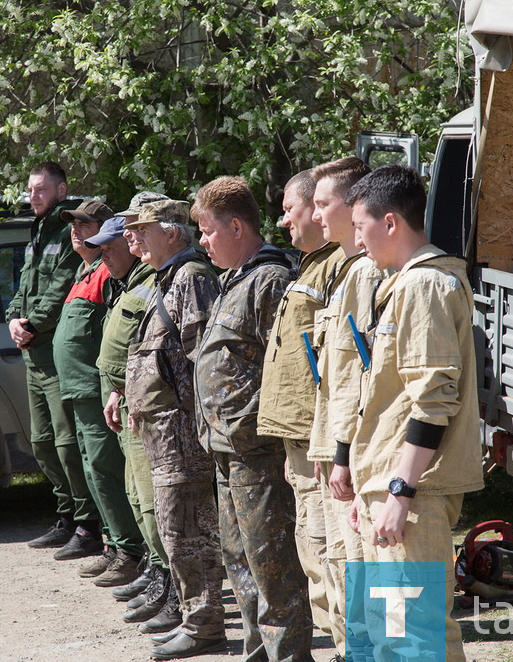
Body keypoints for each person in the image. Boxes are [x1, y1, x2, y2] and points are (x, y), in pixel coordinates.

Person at [345, 165, 483, 660]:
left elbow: (432, 399)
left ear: (389, 223)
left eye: (360, 228)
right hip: (391, 485)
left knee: (412, 638)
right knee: (394, 632)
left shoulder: (423, 286)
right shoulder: (405, 282)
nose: (357, 242)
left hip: (412, 493)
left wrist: (400, 491)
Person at [193, 176, 312, 661]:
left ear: (236, 226)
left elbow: (287, 369)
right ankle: (258, 654)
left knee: (273, 571)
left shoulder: (269, 280)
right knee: (240, 567)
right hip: (227, 450)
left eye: (207, 231)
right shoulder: (233, 280)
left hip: (258, 454)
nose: (202, 242)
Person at [124, 200, 226, 660]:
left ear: (172, 232)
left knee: (187, 533)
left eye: (143, 229)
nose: (134, 237)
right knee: (176, 531)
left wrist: (194, 423)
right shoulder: (168, 278)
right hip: (164, 435)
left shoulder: (192, 278)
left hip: (183, 437)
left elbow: (203, 360)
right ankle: (196, 620)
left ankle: (204, 625)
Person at [257, 170, 344, 649]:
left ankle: (352, 649)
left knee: (337, 558)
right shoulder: (312, 264)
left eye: (292, 208)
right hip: (308, 439)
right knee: (317, 555)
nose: (284, 218)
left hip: (332, 442)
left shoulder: (345, 269)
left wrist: (328, 439)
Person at [307, 156, 382, 662]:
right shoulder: (343, 270)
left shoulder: (362, 274)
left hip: (355, 452)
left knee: (359, 567)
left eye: (322, 204)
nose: (315, 217)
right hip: (336, 444)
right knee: (339, 563)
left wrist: (341, 452)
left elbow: (360, 377)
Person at [6, 162, 99, 554]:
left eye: (42, 190)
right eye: (31, 190)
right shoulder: (37, 231)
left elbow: (62, 286)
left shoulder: (67, 232)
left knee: (67, 443)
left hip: (54, 354)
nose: (34, 197)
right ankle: (64, 516)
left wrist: (31, 325)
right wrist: (13, 317)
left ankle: (87, 524)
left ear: (61, 191)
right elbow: (24, 284)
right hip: (33, 357)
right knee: (41, 442)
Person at [51, 200, 143, 575]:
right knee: (93, 471)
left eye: (85, 224)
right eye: (73, 224)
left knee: (106, 469)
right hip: (78, 389)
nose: (76, 230)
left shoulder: (107, 272)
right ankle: (113, 542)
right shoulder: (84, 271)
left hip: (95, 387)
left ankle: (129, 549)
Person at [88, 192, 173, 593]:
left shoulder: (170, 279)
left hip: (156, 411)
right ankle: (159, 575)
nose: (130, 235)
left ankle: (175, 587)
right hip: (130, 401)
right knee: (139, 499)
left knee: (159, 507)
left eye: (137, 228)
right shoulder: (135, 282)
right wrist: (118, 391)